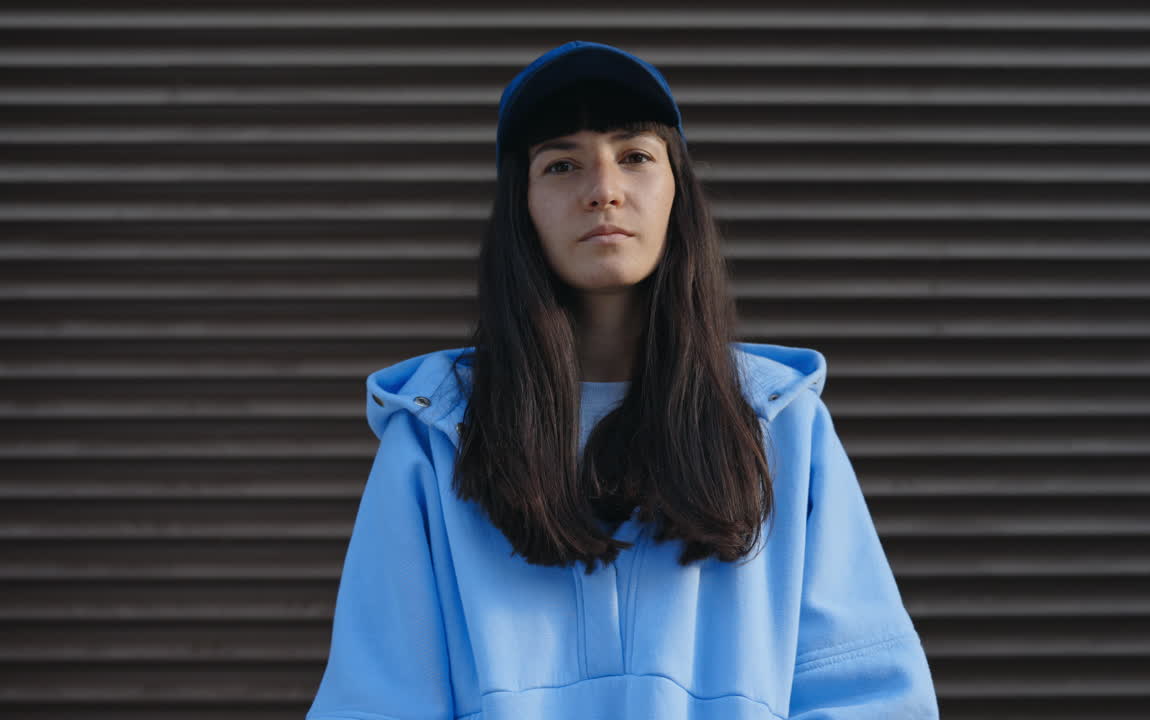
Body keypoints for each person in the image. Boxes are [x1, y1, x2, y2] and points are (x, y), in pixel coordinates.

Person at [306, 40, 939, 720]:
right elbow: (374, 701)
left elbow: (870, 697)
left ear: (677, 191)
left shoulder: (780, 423)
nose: (602, 189)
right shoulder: (435, 436)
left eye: (635, 156)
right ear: (522, 206)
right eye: (561, 164)